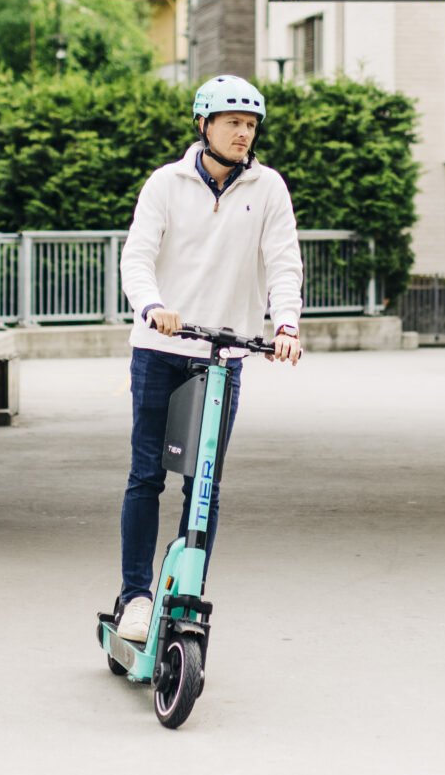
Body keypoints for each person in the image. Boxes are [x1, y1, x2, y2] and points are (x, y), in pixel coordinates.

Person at [111, 75, 303, 645]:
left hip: (222, 356)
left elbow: (283, 261)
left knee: (205, 484)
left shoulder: (268, 187)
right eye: (232, 122)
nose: (244, 133)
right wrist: (152, 306)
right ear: (204, 125)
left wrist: (286, 324)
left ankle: (187, 589)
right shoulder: (165, 183)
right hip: (160, 349)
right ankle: (137, 597)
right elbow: (137, 257)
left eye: (250, 125)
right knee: (147, 476)